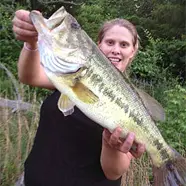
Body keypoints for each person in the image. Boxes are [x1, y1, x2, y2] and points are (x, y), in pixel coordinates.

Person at [12, 9, 146, 186]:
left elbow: (113, 173)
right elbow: (29, 76)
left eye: (124, 44)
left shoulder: (135, 105)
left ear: (133, 51)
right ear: (99, 45)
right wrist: (31, 43)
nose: (115, 49)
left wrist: (110, 147)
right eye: (110, 42)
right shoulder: (72, 73)